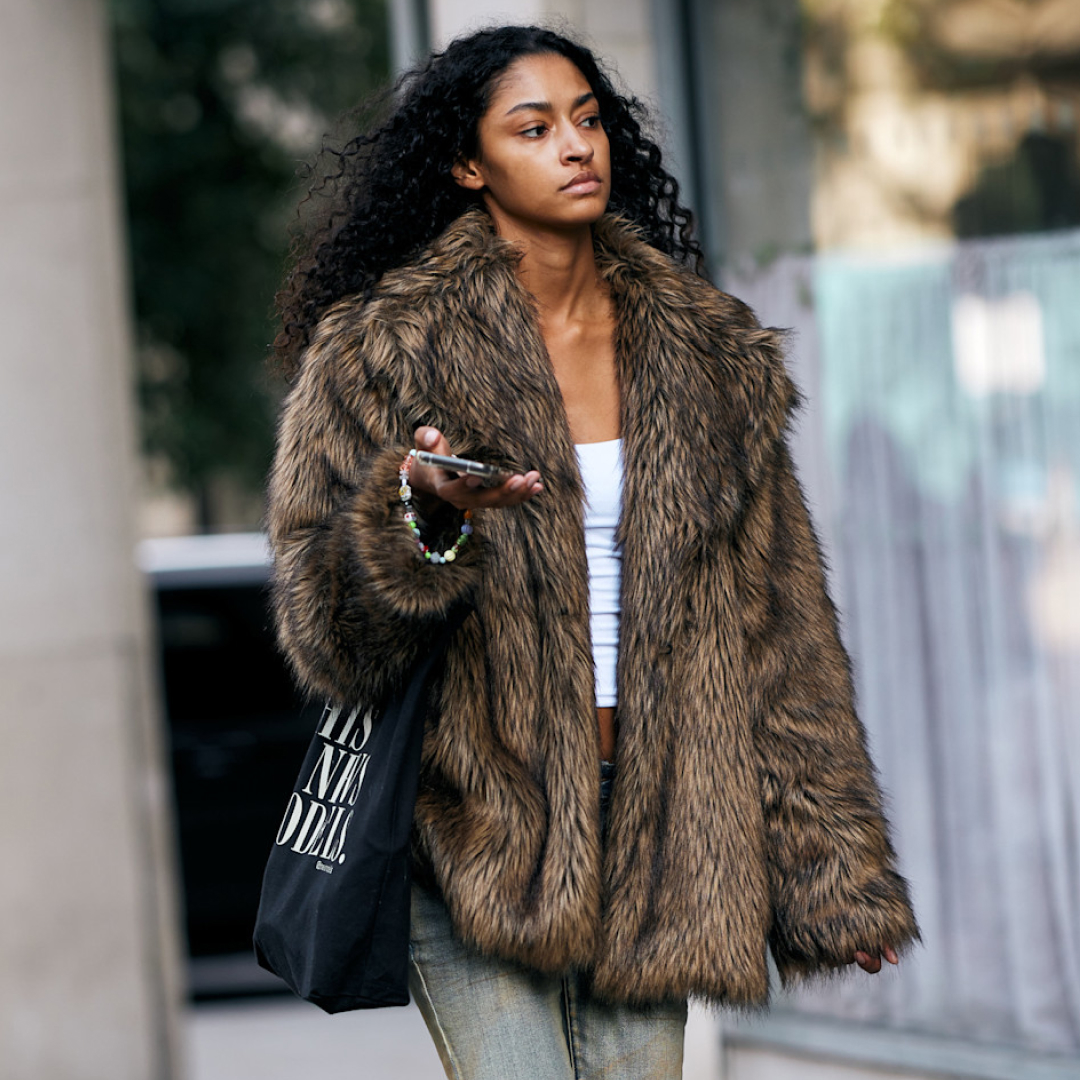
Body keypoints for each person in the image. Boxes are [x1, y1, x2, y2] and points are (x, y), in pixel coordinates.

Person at [267, 24, 920, 1080]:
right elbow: (325, 637)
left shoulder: (710, 355)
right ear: (469, 164)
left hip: (668, 836)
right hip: (475, 827)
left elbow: (782, 636)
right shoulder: (382, 350)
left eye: (587, 119)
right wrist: (420, 521)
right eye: (534, 128)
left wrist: (834, 874)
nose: (576, 145)